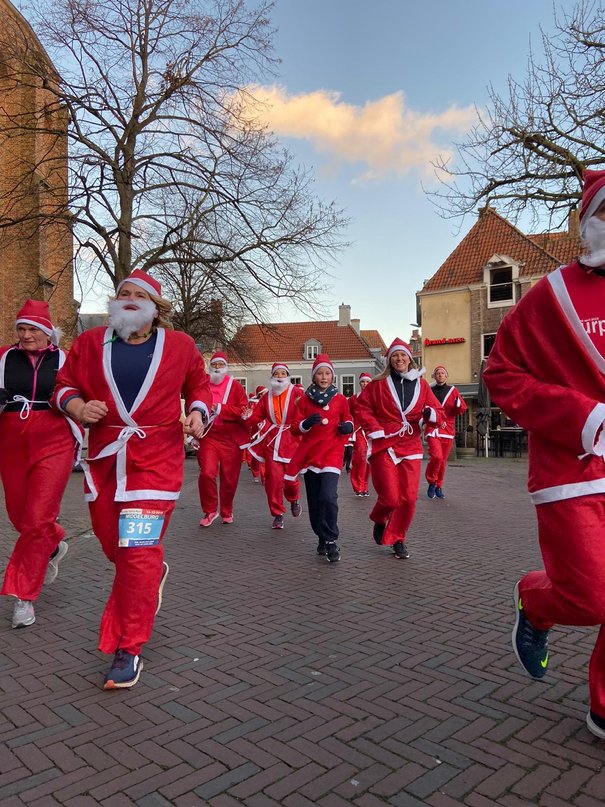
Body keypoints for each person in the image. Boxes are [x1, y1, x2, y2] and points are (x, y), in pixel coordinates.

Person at [483, 168, 605, 740]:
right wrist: (581, 417)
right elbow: (499, 373)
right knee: (591, 593)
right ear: (586, 223)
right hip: (573, 471)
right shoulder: (552, 295)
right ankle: (535, 602)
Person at [53, 269, 211, 690]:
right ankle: (150, 573)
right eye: (123, 292)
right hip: (105, 459)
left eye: (139, 294)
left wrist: (197, 412)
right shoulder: (90, 343)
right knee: (113, 544)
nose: (128, 298)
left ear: (156, 309)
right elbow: (63, 386)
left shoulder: (179, 345)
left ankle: (129, 646)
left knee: (136, 551)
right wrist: (78, 407)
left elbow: (199, 385)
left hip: (155, 462)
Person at [0, 300, 80, 629]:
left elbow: (84, 391)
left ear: (49, 334)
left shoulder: (65, 359)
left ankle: (24, 597)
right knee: (21, 517)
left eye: (33, 329)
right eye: (22, 328)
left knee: (37, 519)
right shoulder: (4, 357)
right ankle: (54, 542)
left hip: (54, 438)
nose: (26, 334)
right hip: (12, 441)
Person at [355, 338, 445, 559]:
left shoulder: (422, 385)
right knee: (390, 497)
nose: (399, 358)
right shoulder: (378, 384)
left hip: (411, 444)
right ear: (389, 360)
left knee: (409, 499)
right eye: (395, 355)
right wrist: (374, 429)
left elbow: (438, 411)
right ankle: (379, 518)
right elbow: (362, 408)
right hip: (385, 443)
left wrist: (430, 415)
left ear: (409, 358)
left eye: (403, 355)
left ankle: (397, 538)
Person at [286, 354, 353, 562]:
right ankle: (321, 536)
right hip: (311, 456)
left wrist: (347, 427)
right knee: (315, 503)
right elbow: (294, 428)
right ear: (314, 377)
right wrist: (306, 423)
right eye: (320, 374)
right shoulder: (304, 400)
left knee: (328, 497)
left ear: (332, 376)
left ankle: (331, 540)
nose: (324, 377)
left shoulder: (340, 399)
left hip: (332, 454)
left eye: (327, 373)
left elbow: (348, 419)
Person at [244, 362, 303, 529]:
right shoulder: (266, 397)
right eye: (276, 374)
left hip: (292, 439)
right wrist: (247, 418)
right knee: (273, 480)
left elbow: (307, 410)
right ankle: (277, 513)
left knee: (291, 479)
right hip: (273, 439)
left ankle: (294, 499)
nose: (279, 377)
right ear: (272, 376)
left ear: (287, 376)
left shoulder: (297, 393)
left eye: (282, 374)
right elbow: (256, 416)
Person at [197, 351, 248, 527]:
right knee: (207, 473)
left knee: (229, 478)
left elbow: (243, 410)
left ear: (226, 367)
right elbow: (193, 402)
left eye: (220, 365)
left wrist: (219, 408)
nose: (217, 368)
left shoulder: (235, 386)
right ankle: (210, 510)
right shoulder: (203, 384)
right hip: (208, 435)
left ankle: (227, 510)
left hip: (230, 437)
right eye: (215, 364)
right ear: (210, 366)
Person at [425, 365, 467, 499]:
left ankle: (438, 485)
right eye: (437, 373)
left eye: (442, 373)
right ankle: (432, 481)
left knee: (442, 461)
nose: (440, 375)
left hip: (447, 430)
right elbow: (423, 406)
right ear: (434, 376)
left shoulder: (453, 390)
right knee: (436, 457)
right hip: (433, 429)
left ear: (446, 376)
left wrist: (458, 406)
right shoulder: (429, 390)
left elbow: (462, 409)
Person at [348, 371, 372, 496]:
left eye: (367, 381)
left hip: (371, 431)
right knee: (361, 457)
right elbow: (348, 413)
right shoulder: (353, 399)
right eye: (363, 381)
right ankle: (358, 486)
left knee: (368, 459)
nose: (365, 384)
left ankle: (365, 486)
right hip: (358, 431)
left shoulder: (375, 398)